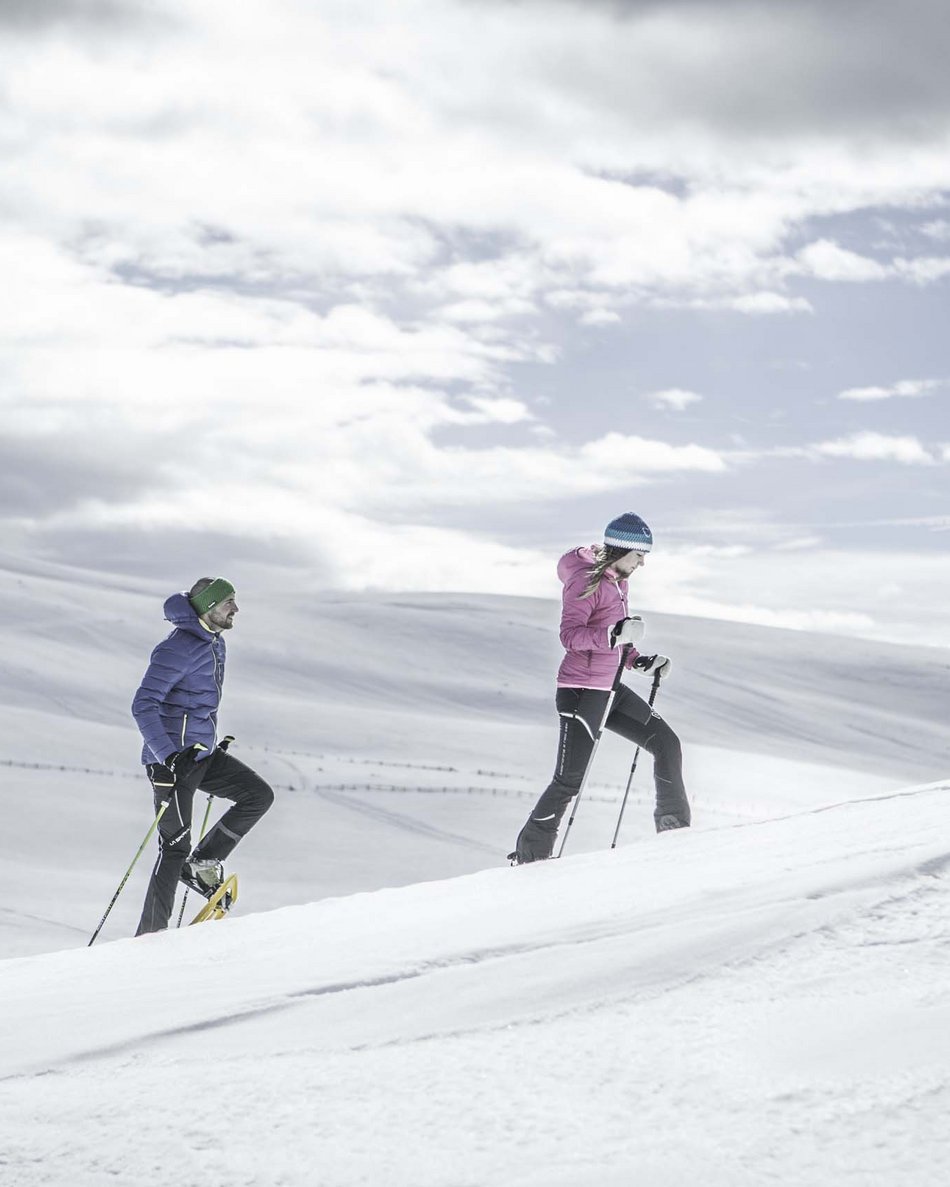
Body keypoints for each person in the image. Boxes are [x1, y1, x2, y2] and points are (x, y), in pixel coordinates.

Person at [510, 512, 690, 864]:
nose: (642, 563)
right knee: (568, 782)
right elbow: (570, 637)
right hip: (580, 691)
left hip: (610, 687)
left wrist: (639, 660)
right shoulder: (584, 581)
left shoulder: (619, 582)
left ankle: (676, 834)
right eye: (639, 555)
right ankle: (529, 858)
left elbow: (617, 638)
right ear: (622, 550)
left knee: (666, 743)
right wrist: (613, 635)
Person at [132, 577, 274, 934]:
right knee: (174, 848)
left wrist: (208, 741)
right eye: (228, 603)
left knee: (257, 796)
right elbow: (143, 704)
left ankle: (204, 861)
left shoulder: (214, 643)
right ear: (209, 607)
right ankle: (150, 936)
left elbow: (193, 705)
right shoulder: (177, 648)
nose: (236, 610)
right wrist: (167, 755)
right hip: (171, 765)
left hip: (199, 756)